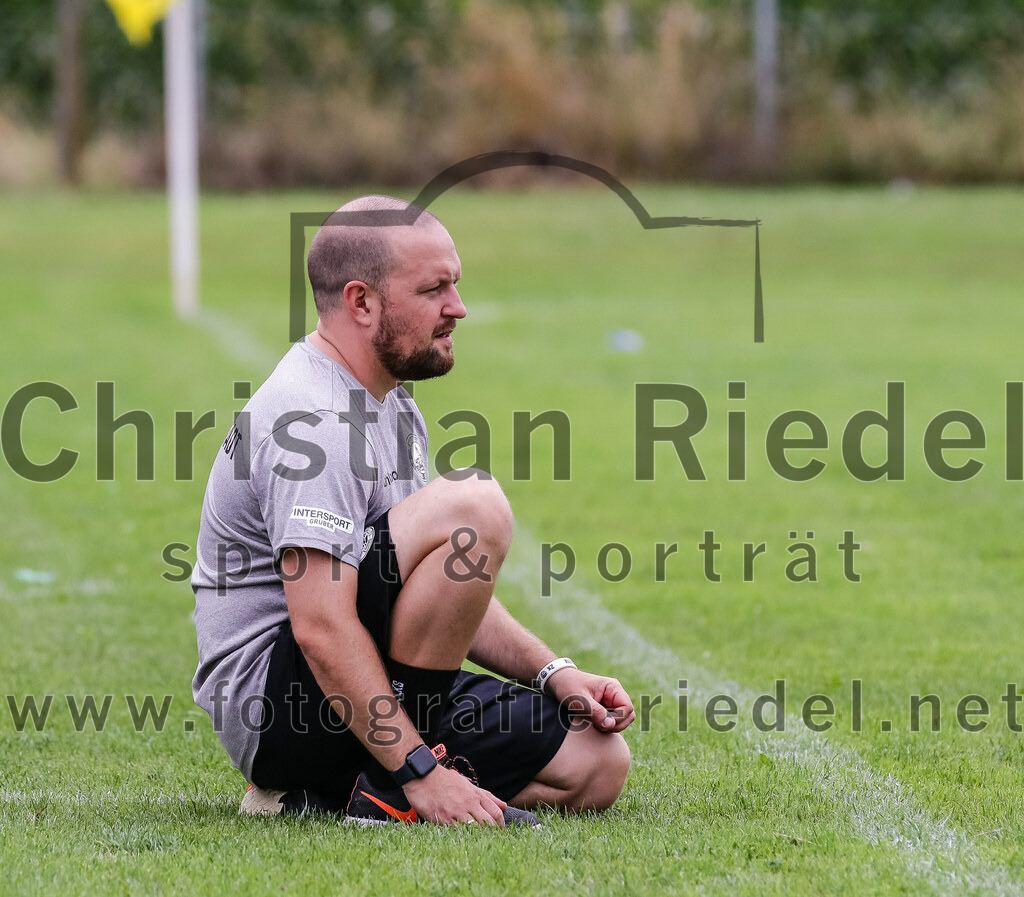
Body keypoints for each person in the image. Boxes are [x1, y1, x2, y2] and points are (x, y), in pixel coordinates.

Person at [191, 195, 634, 827]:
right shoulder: (314, 423)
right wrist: (421, 773)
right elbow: (319, 626)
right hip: (280, 711)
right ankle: (391, 787)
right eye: (433, 289)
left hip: (360, 683)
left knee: (596, 763)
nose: (457, 307)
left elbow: (432, 587)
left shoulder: (388, 402)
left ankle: (333, 794)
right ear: (361, 302)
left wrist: (552, 672)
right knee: (473, 504)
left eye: (456, 284)